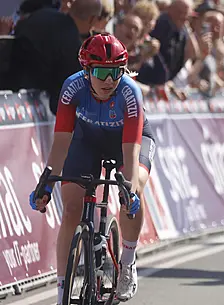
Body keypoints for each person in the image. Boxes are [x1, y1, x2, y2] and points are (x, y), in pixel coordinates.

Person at [28, 33, 155, 305]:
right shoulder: (72, 88)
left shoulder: (130, 92)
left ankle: (128, 263)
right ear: (87, 71)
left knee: (135, 189)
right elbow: (61, 142)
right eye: (101, 72)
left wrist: (129, 189)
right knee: (72, 209)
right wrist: (47, 182)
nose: (109, 80)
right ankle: (62, 294)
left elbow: (131, 152)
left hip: (128, 141)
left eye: (115, 72)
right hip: (87, 140)